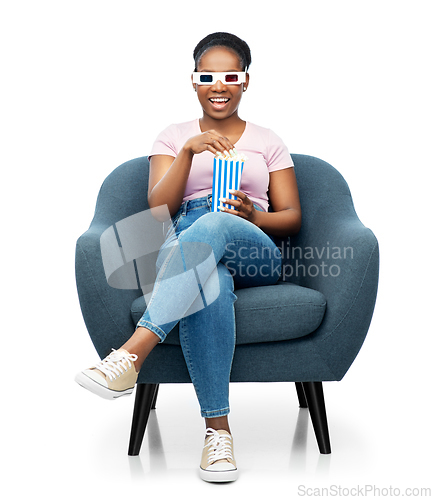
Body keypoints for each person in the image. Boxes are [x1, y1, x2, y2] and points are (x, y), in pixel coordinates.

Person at [75, 32, 301, 483]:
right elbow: (158, 209)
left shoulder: (269, 140)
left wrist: (255, 214)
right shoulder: (173, 136)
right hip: (185, 239)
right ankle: (218, 436)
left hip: (253, 242)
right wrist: (187, 153)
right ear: (194, 83)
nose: (219, 85)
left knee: (215, 224)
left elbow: (292, 217)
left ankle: (132, 354)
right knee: (208, 282)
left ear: (246, 82)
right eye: (208, 76)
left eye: (230, 76)